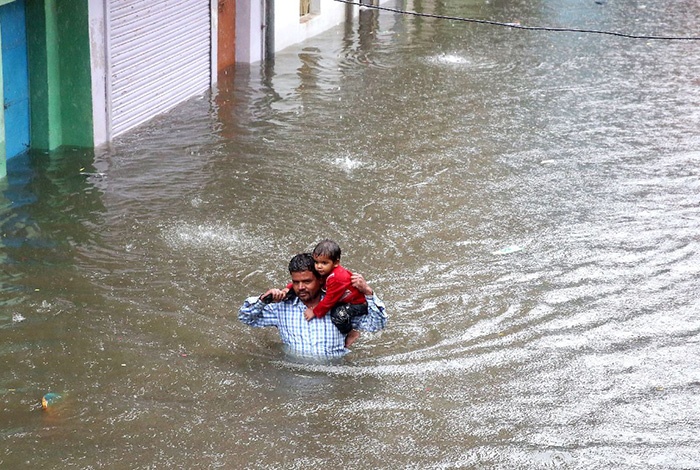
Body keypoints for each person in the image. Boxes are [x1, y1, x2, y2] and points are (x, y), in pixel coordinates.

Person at [238, 253, 387, 359]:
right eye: (296, 282)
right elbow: (245, 318)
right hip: (294, 378)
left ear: (321, 280)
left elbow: (376, 325)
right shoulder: (282, 307)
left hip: (335, 377)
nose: (301, 287)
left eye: (307, 281)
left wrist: (368, 292)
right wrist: (263, 300)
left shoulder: (339, 305)